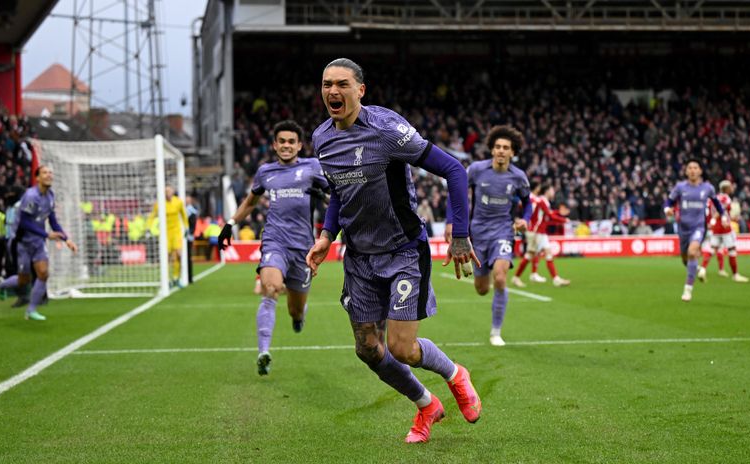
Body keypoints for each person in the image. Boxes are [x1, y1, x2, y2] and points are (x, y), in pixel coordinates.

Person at [305, 58, 482, 444]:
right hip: (359, 258)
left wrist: (460, 234)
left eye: (342, 84)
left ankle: (455, 374)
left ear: (360, 90)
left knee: (402, 348)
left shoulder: (388, 131)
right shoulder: (321, 138)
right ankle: (426, 405)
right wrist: (325, 234)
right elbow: (338, 191)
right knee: (368, 349)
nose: (333, 92)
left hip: (403, 250)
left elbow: (454, 170)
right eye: (326, 84)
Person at [218, 120, 328, 376]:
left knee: (295, 309)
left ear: (300, 145)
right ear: (274, 145)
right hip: (274, 241)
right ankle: (263, 352)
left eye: (291, 141)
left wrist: (322, 196)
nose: (286, 145)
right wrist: (230, 223)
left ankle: (298, 316)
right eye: (282, 141)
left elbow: (337, 199)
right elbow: (250, 202)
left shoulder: (313, 167)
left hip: (304, 248)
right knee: (271, 288)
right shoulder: (265, 172)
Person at [444, 125, 532, 347]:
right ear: (492, 150)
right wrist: (450, 222)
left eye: (506, 148)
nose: (502, 151)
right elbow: (457, 193)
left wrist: (525, 220)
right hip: (478, 234)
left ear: (513, 152)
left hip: (503, 231)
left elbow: (528, 203)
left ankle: (496, 332)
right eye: (498, 147)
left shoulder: (519, 177)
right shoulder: (476, 170)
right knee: (482, 289)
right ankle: (486, 275)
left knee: (501, 278)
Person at [0, 166, 78, 320]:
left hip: (38, 242)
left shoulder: (50, 196)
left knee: (43, 274)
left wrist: (67, 239)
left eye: (51, 173)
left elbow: (52, 220)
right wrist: (47, 234)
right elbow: (25, 223)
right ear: (38, 178)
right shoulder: (31, 196)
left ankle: (31, 310)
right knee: (23, 280)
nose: (49, 175)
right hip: (21, 242)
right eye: (45, 172)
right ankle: (1, 285)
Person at [663, 159, 727, 302]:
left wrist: (723, 216)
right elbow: (669, 201)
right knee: (685, 259)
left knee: (693, 252)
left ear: (700, 171)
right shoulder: (680, 187)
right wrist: (667, 209)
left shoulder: (708, 188)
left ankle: (688, 290)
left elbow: (717, 203)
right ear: (686, 171)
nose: (692, 170)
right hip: (683, 228)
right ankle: (697, 269)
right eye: (690, 168)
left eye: (695, 168)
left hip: (698, 227)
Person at [512, 184, 570, 287]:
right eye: (552, 189)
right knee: (530, 255)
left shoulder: (543, 201)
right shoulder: (542, 201)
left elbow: (547, 214)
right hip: (536, 232)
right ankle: (517, 277)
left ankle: (554, 278)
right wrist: (564, 219)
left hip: (540, 232)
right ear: (547, 191)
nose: (553, 192)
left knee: (546, 254)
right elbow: (549, 215)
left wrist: (559, 213)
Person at [698, 180, 748, 283]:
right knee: (732, 250)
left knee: (712, 249)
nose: (732, 188)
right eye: (730, 186)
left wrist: (710, 221)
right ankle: (735, 275)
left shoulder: (713, 198)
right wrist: (723, 219)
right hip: (724, 227)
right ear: (726, 188)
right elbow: (720, 211)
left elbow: (708, 211)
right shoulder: (726, 198)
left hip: (715, 228)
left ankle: (703, 269)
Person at [148, 186, 188, 287]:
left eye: (170, 191)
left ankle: (176, 277)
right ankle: (167, 279)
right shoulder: (159, 204)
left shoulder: (178, 202)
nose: (168, 193)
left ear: (173, 192)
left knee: (178, 255)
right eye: (166, 191)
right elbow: (152, 215)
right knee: (166, 257)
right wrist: (148, 227)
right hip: (165, 233)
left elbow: (183, 215)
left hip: (176, 232)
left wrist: (186, 227)